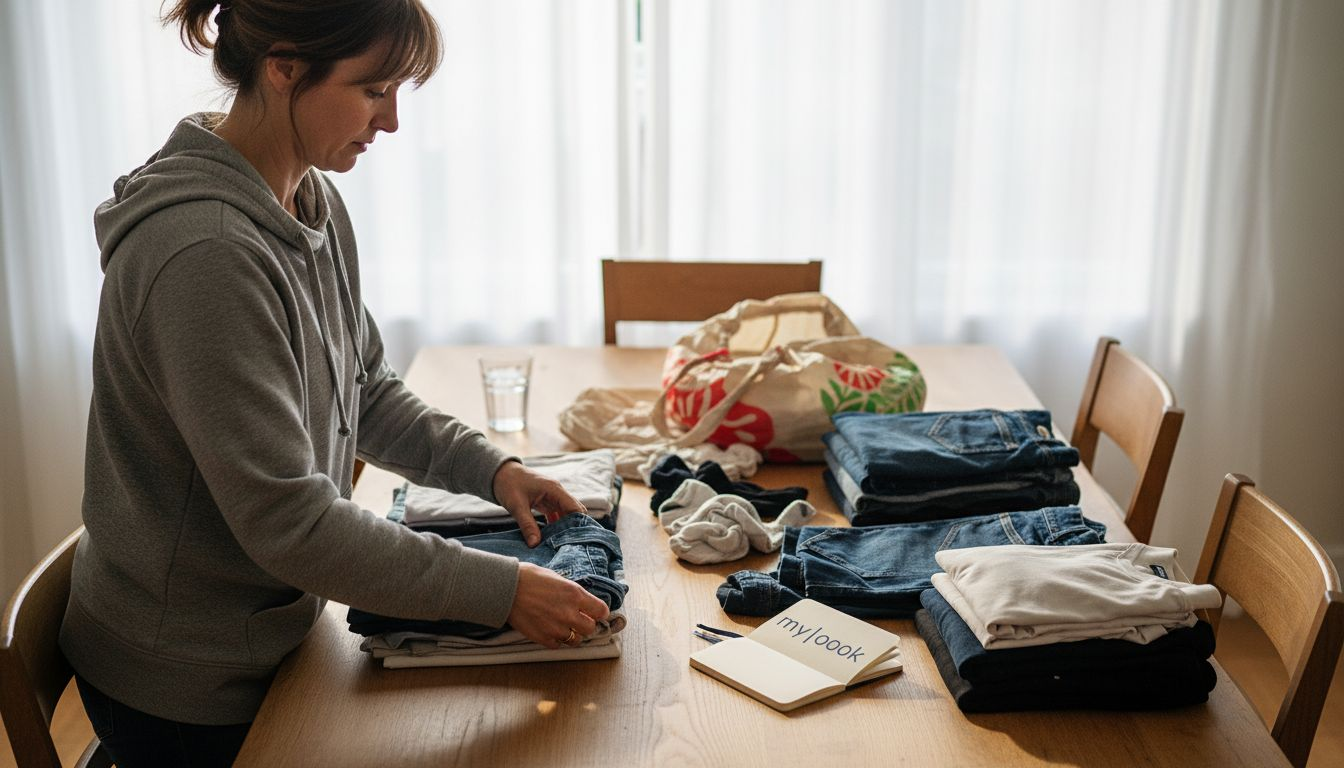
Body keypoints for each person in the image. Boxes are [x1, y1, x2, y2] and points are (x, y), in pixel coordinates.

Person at [57, 1, 609, 764]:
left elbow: (366, 387)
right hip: (190, 685)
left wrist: (493, 471)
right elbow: (291, 524)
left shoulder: (307, 200)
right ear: (283, 68)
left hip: (272, 636)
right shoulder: (206, 255)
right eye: (373, 90)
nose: (391, 121)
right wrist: (503, 590)